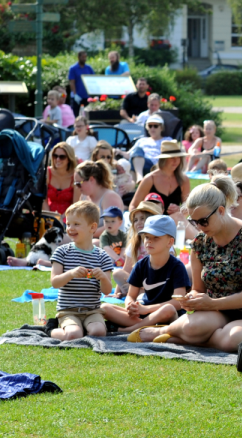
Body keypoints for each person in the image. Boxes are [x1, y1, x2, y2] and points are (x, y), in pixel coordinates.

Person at [135, 179, 242, 351]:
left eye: (204, 221)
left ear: (221, 211)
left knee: (233, 339)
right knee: (191, 327)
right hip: (217, 311)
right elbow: (198, 289)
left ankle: (174, 338)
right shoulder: (200, 243)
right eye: (194, 222)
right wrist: (192, 299)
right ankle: (167, 331)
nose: (200, 227)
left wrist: (211, 304)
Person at [102, 213, 189, 337]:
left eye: (156, 237)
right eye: (147, 237)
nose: (149, 241)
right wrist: (131, 306)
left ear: (170, 242)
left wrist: (147, 309)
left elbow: (178, 302)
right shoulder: (140, 265)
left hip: (169, 315)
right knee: (105, 307)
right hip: (144, 315)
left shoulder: (177, 266)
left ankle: (126, 330)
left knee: (168, 309)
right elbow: (130, 296)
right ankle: (147, 327)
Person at [48, 200, 114, 340]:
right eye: (68, 223)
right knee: (73, 335)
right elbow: (55, 282)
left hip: (92, 311)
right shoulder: (62, 252)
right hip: (68, 311)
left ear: (92, 227)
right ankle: (49, 329)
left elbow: (107, 291)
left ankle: (84, 328)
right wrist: (71, 274)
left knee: (98, 332)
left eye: (76, 224)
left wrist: (102, 277)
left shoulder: (103, 257)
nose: (70, 228)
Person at [129, 139, 189, 217]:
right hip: (152, 224)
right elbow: (133, 206)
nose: (176, 161)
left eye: (178, 157)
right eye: (172, 158)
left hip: (174, 224)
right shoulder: (150, 179)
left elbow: (188, 208)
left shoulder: (183, 179)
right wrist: (140, 221)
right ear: (163, 159)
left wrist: (180, 210)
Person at [44, 142, 80, 218]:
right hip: (48, 213)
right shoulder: (47, 172)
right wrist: (49, 216)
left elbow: (76, 204)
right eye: (55, 156)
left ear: (69, 159)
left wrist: (62, 218)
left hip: (69, 216)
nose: (58, 159)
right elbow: (43, 200)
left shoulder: (76, 175)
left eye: (62, 157)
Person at [129, 114, 166, 182]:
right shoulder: (141, 140)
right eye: (150, 126)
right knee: (136, 152)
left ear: (161, 127)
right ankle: (136, 184)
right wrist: (118, 151)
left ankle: (137, 181)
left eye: (155, 126)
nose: (152, 128)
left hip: (156, 166)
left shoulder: (167, 140)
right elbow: (130, 154)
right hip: (141, 164)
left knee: (135, 155)